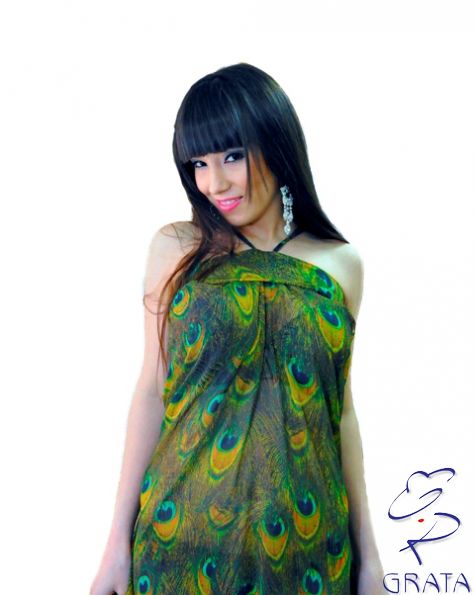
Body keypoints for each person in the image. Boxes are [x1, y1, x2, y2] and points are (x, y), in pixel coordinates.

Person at [90, 62, 384, 595]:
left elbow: (338, 410)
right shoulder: (178, 250)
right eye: (198, 164)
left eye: (232, 156)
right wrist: (115, 544)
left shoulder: (340, 265)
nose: (214, 183)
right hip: (180, 543)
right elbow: (153, 390)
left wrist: (370, 559)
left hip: (311, 553)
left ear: (276, 143)